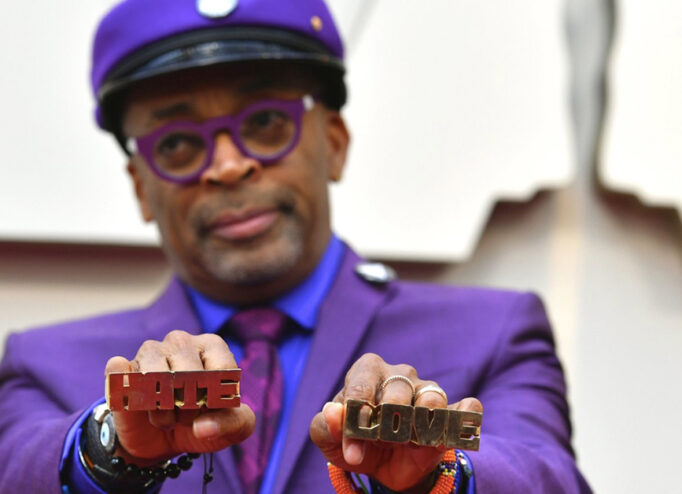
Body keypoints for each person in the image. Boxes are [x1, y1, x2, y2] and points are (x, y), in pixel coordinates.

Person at [0, 0, 591, 493]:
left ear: (334, 142)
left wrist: (435, 478)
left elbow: (548, 478)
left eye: (265, 124)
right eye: (178, 143)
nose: (228, 166)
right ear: (140, 187)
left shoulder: (492, 333)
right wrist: (106, 448)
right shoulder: (46, 367)